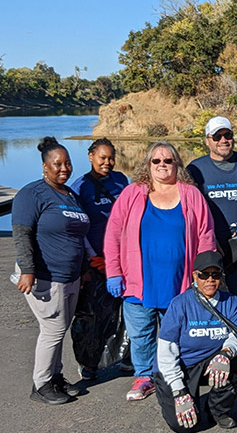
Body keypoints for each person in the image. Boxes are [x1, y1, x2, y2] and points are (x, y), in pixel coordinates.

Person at [104, 141, 216, 401]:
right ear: (148, 164)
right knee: (141, 333)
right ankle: (145, 376)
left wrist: (204, 275)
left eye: (168, 161)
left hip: (179, 281)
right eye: (157, 161)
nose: (163, 165)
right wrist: (113, 272)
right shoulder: (133, 193)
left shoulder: (191, 194)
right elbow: (113, 235)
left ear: (177, 164)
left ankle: (170, 374)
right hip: (138, 281)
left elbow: (206, 236)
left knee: (175, 332)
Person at [11, 136, 90, 404]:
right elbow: (22, 233)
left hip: (71, 276)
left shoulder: (70, 195)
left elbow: (79, 237)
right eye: (57, 164)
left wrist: (84, 268)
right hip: (46, 276)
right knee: (53, 330)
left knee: (60, 328)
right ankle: (41, 384)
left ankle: (55, 377)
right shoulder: (32, 194)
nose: (64, 168)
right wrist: (28, 270)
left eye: (67, 163)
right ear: (45, 166)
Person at [154, 250, 237, 431]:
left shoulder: (231, 301)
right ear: (195, 276)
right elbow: (166, 350)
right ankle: (186, 394)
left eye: (216, 274)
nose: (210, 280)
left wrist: (225, 353)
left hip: (210, 361)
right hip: (179, 367)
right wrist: (179, 391)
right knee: (184, 427)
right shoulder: (179, 304)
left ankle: (217, 410)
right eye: (204, 274)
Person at [187, 116, 237, 314]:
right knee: (207, 300)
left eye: (227, 135)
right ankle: (209, 343)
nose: (223, 140)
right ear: (207, 140)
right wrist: (208, 238)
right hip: (208, 250)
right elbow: (188, 211)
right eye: (217, 136)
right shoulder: (195, 169)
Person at [70, 137, 129, 380]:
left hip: (123, 257)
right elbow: (76, 227)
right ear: (91, 156)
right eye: (102, 157)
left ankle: (127, 358)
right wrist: (92, 258)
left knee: (127, 312)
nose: (107, 162)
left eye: (111, 157)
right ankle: (89, 362)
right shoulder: (79, 187)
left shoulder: (121, 181)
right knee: (93, 314)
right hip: (94, 260)